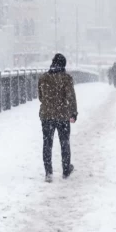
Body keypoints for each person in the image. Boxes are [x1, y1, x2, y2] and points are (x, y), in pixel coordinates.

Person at [38, 53, 78, 183]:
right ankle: (66, 170)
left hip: (47, 115)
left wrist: (49, 104)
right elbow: (70, 97)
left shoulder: (43, 78)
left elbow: (40, 97)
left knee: (47, 143)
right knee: (64, 142)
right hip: (62, 115)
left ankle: (48, 173)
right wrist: (73, 113)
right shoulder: (66, 78)